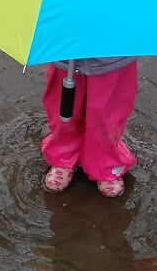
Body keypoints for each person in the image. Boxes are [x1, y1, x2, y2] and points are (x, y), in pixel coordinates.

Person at [42, 57, 138, 198]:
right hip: (67, 52)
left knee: (107, 116)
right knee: (64, 109)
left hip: (113, 55)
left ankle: (105, 160)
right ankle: (64, 154)